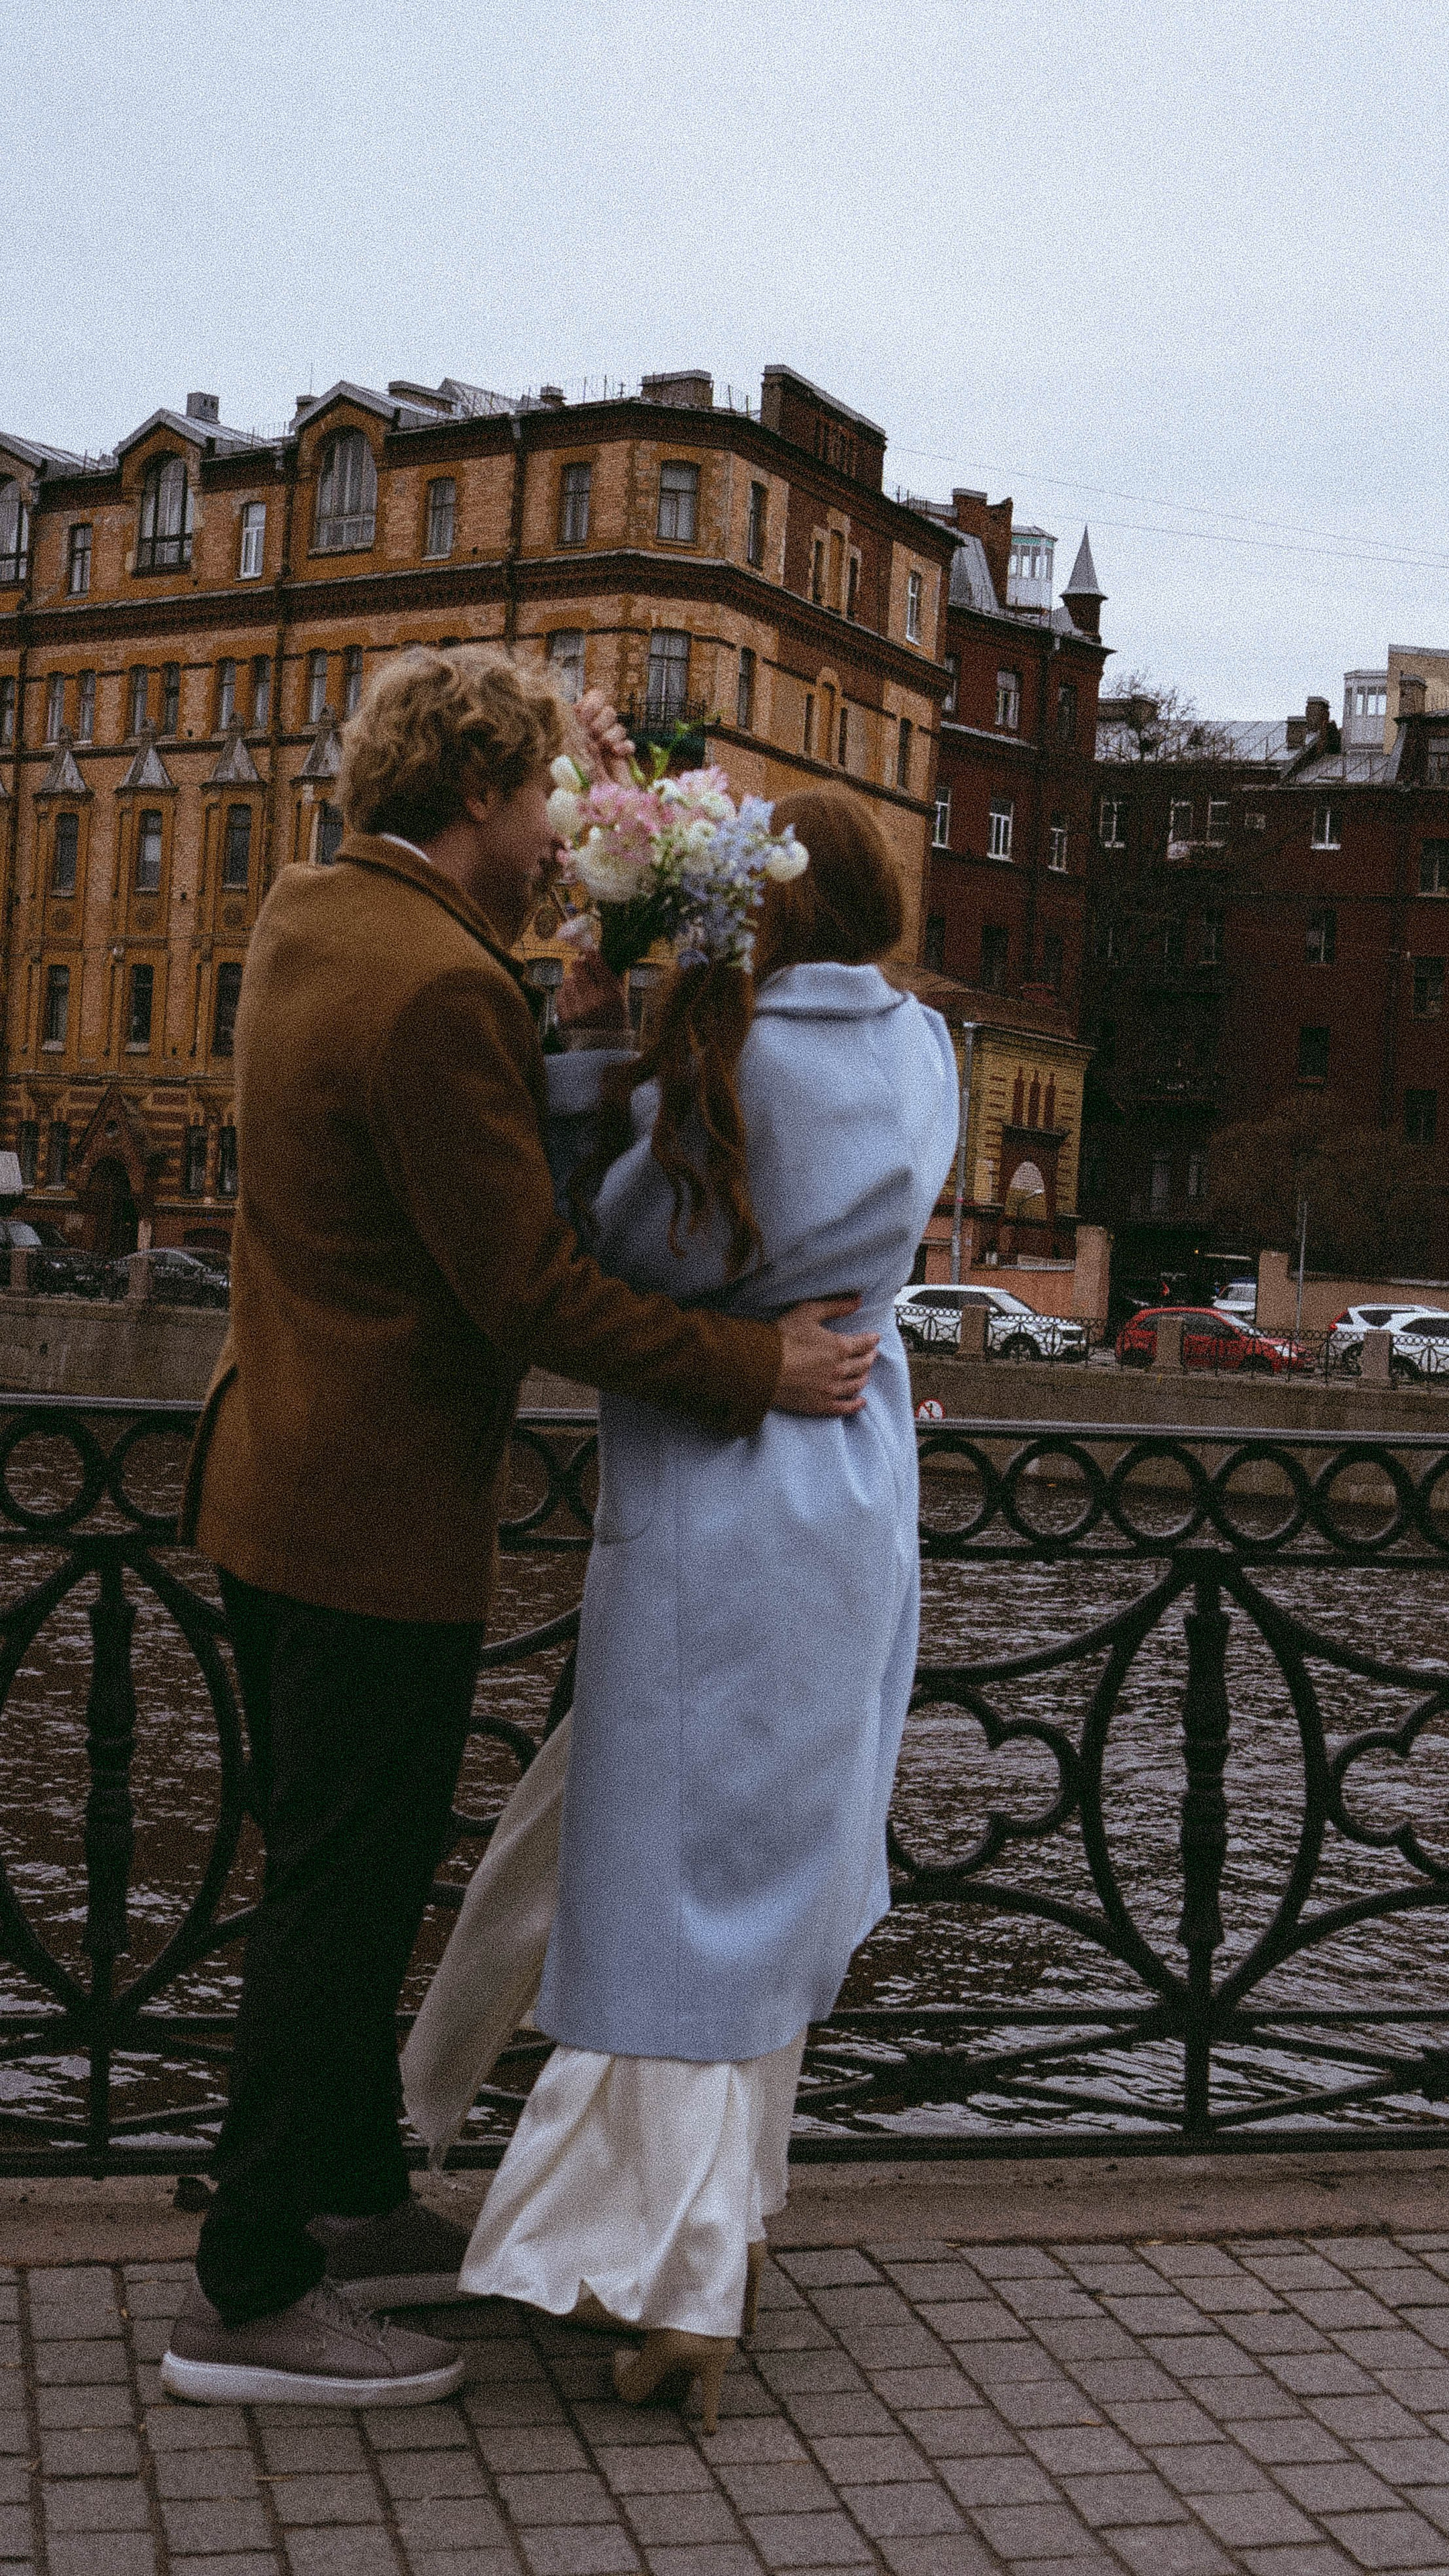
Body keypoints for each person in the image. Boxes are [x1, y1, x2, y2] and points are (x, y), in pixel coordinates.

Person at [161, 651, 879, 2411]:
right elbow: (530, 1286)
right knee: (340, 1901)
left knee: (335, 1862)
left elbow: (443, 1173)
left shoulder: (318, 914)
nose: (562, 829)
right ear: (481, 792)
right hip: (371, 1512)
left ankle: (348, 2196)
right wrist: (761, 1366)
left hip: (273, 1467)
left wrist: (581, 1014)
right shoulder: (437, 986)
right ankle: (251, 2291)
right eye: (546, 794)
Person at [425, 787, 959, 2432]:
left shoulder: (734, 1062)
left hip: (718, 1502)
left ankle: (675, 2287)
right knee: (760, 1886)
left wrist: (596, 1050)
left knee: (672, 1905)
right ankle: (700, 2230)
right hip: (855, 1493)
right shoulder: (924, 1052)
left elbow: (616, 1260)